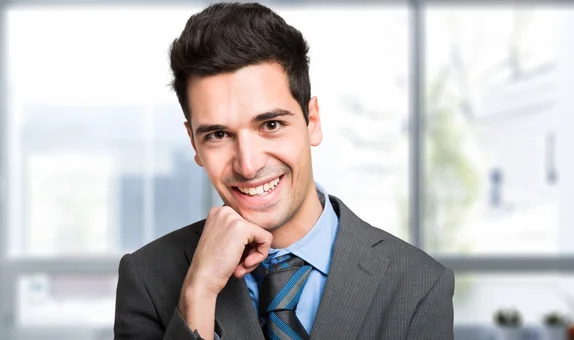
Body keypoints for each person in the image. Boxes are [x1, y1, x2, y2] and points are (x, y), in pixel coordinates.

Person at [113, 2, 454, 340]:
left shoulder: (418, 284)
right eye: (218, 135)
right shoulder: (146, 278)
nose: (249, 165)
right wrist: (198, 294)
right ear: (194, 144)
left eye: (271, 124)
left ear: (313, 121)